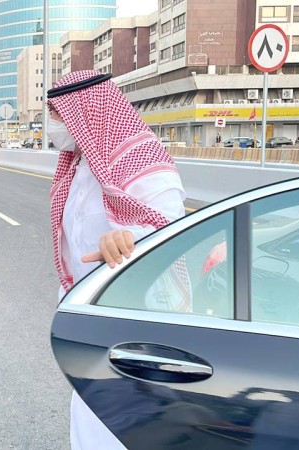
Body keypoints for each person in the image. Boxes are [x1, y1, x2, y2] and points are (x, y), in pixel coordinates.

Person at [46, 70, 186, 449]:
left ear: (85, 111)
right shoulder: (78, 165)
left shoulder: (142, 158)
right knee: (89, 417)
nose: (53, 123)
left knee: (117, 426)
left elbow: (173, 234)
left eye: (57, 113)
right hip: (90, 319)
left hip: (135, 321)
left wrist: (129, 238)